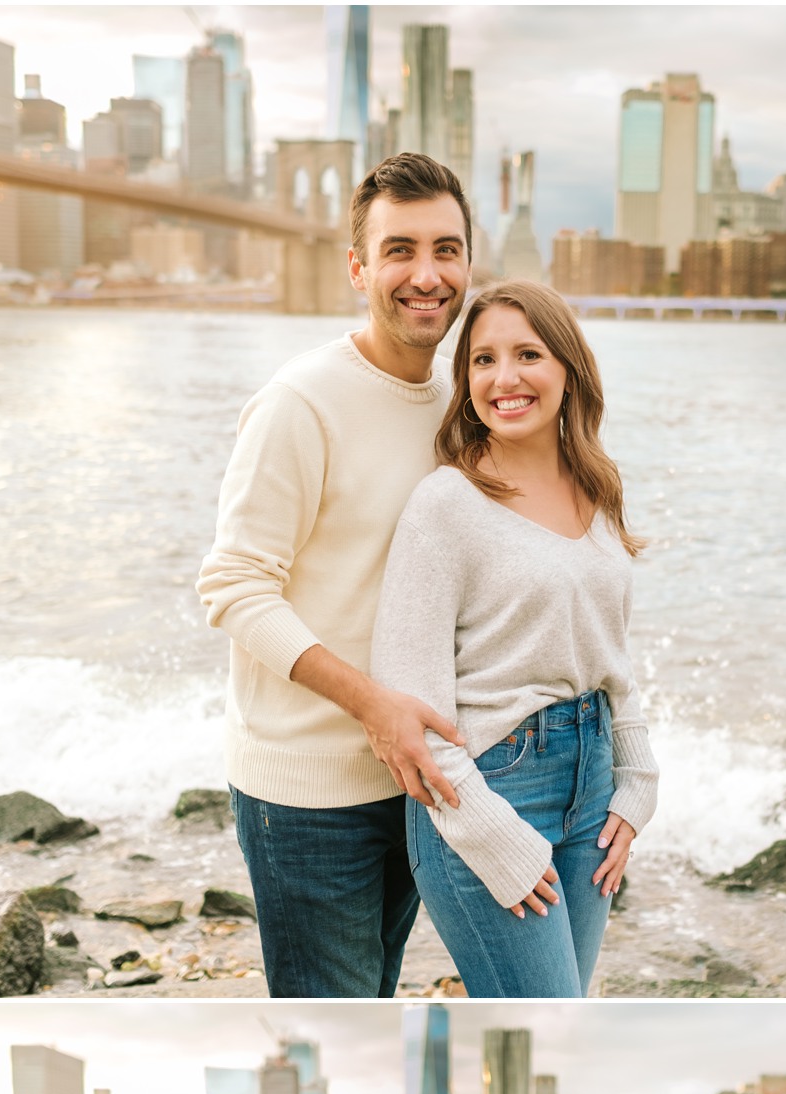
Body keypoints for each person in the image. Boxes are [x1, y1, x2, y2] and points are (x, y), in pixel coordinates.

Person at [197, 153, 476, 998]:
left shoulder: (461, 402)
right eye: (399, 251)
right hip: (309, 800)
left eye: (446, 249)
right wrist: (373, 705)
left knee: (374, 1012)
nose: (426, 276)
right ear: (357, 268)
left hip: (416, 785)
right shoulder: (301, 402)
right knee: (336, 1037)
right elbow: (234, 585)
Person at [367, 278, 659, 999]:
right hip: (489, 789)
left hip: (592, 790)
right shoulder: (446, 505)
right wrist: (490, 834)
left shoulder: (597, 488)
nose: (505, 379)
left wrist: (637, 783)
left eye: (528, 354)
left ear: (567, 368)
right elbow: (414, 707)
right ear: (464, 383)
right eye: (482, 361)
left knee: (559, 1024)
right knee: (543, 1028)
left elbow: (610, 659)